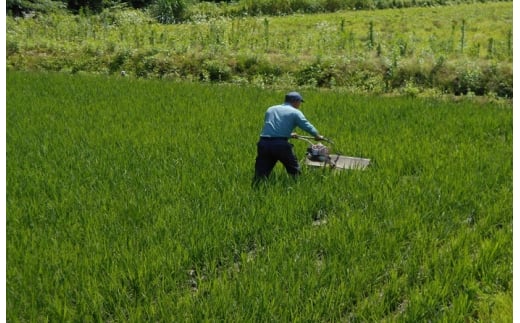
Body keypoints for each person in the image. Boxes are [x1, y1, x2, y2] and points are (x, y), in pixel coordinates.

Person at [253, 91, 324, 185]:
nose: (299, 105)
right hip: (280, 146)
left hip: (264, 143)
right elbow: (307, 126)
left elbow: (272, 126)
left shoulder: (271, 109)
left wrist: (289, 134)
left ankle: (257, 189)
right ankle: (298, 188)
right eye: (300, 102)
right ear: (295, 101)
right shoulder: (295, 112)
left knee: (261, 174)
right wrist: (317, 136)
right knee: (294, 171)